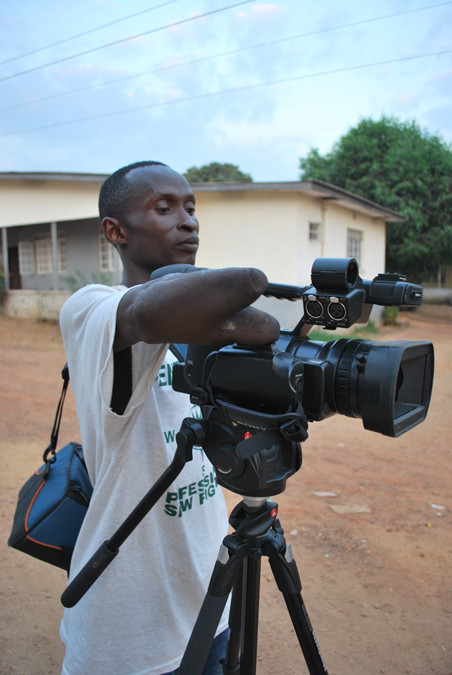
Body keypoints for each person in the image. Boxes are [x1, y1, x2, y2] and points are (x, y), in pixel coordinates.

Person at [59, 160, 280, 674]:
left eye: (191, 207)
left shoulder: (203, 326)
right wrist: (253, 286)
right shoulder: (91, 310)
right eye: (164, 208)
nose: (188, 221)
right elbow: (147, 313)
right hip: (129, 619)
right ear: (116, 231)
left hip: (211, 592)